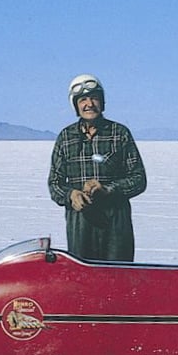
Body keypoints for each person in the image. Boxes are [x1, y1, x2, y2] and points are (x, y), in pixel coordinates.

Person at [48, 74, 147, 261]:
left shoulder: (119, 133)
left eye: (94, 98)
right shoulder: (66, 138)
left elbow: (139, 178)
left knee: (118, 277)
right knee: (83, 280)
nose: (89, 104)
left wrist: (108, 190)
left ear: (102, 102)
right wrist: (71, 195)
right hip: (80, 222)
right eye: (83, 100)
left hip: (116, 221)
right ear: (75, 105)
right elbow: (54, 184)